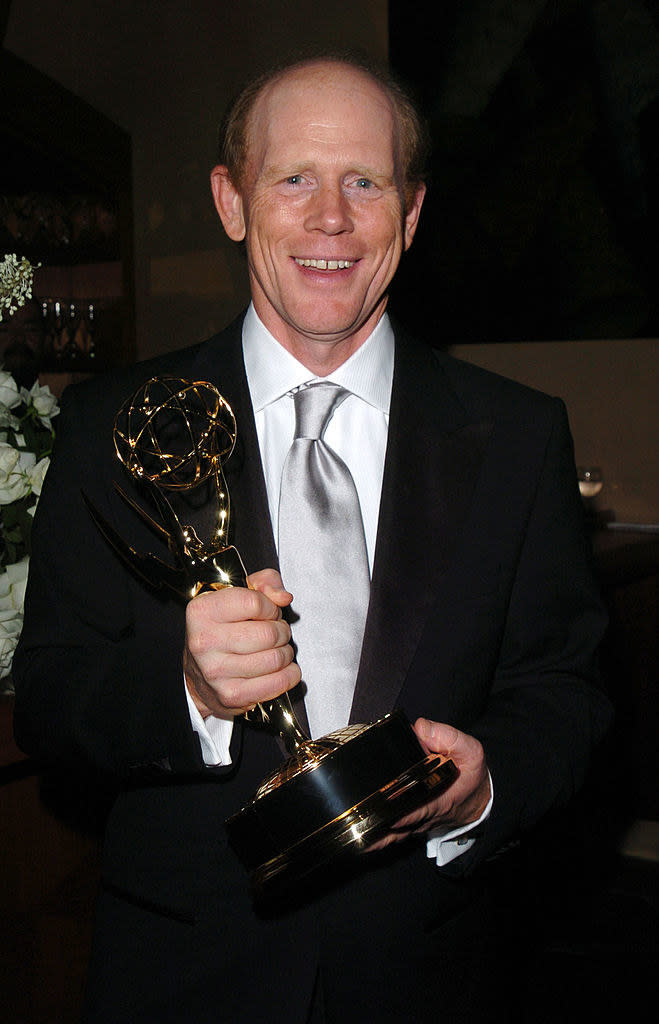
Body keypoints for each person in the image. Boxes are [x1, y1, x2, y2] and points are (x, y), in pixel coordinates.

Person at [13, 54, 611, 1023]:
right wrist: (189, 692)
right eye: (293, 177)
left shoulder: (518, 435)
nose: (329, 217)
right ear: (230, 200)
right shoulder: (112, 426)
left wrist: (484, 785)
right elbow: (49, 696)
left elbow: (564, 691)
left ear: (410, 215)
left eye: (363, 182)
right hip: (181, 981)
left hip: (426, 977)